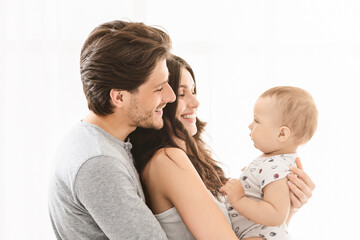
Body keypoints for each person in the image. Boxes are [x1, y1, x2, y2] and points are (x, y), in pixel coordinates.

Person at [129, 56, 316, 240]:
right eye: (181, 94)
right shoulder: (167, 160)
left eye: (194, 91)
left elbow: (252, 231)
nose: (195, 102)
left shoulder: (191, 158)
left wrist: (287, 207)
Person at [48, 20, 176, 239]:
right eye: (158, 88)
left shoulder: (94, 140)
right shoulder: (99, 163)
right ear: (119, 96)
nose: (170, 96)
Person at [220, 86, 318, 239]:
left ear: (281, 133)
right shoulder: (274, 164)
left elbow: (276, 215)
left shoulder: (275, 167)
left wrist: (239, 199)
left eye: (256, 121)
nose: (250, 125)